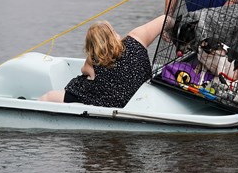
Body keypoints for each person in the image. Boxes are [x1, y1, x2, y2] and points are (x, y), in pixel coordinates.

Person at [39, 15, 169, 108]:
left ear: (92, 46)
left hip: (111, 102)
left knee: (49, 97)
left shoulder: (94, 60)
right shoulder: (136, 40)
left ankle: (36, 106)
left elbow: (83, 70)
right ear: (114, 34)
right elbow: (165, 19)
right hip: (139, 98)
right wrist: (172, 30)